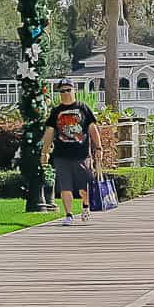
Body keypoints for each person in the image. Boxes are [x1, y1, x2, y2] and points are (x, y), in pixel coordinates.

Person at [40, 79, 101, 226]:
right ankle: (68, 214)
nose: (65, 93)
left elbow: (92, 128)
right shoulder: (56, 111)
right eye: (62, 91)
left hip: (82, 155)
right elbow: (49, 132)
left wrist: (98, 147)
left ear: (74, 91)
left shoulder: (83, 108)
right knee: (65, 187)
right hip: (62, 156)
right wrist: (44, 152)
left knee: (84, 187)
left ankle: (85, 206)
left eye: (68, 90)